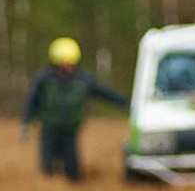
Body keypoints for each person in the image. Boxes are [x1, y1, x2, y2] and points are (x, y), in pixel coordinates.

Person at [21, 37, 126, 181]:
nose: (66, 65)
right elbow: (32, 101)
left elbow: (105, 93)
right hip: (49, 130)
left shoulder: (83, 78)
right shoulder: (44, 79)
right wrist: (26, 123)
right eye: (63, 62)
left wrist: (126, 104)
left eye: (69, 61)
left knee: (73, 171)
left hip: (71, 131)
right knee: (47, 169)